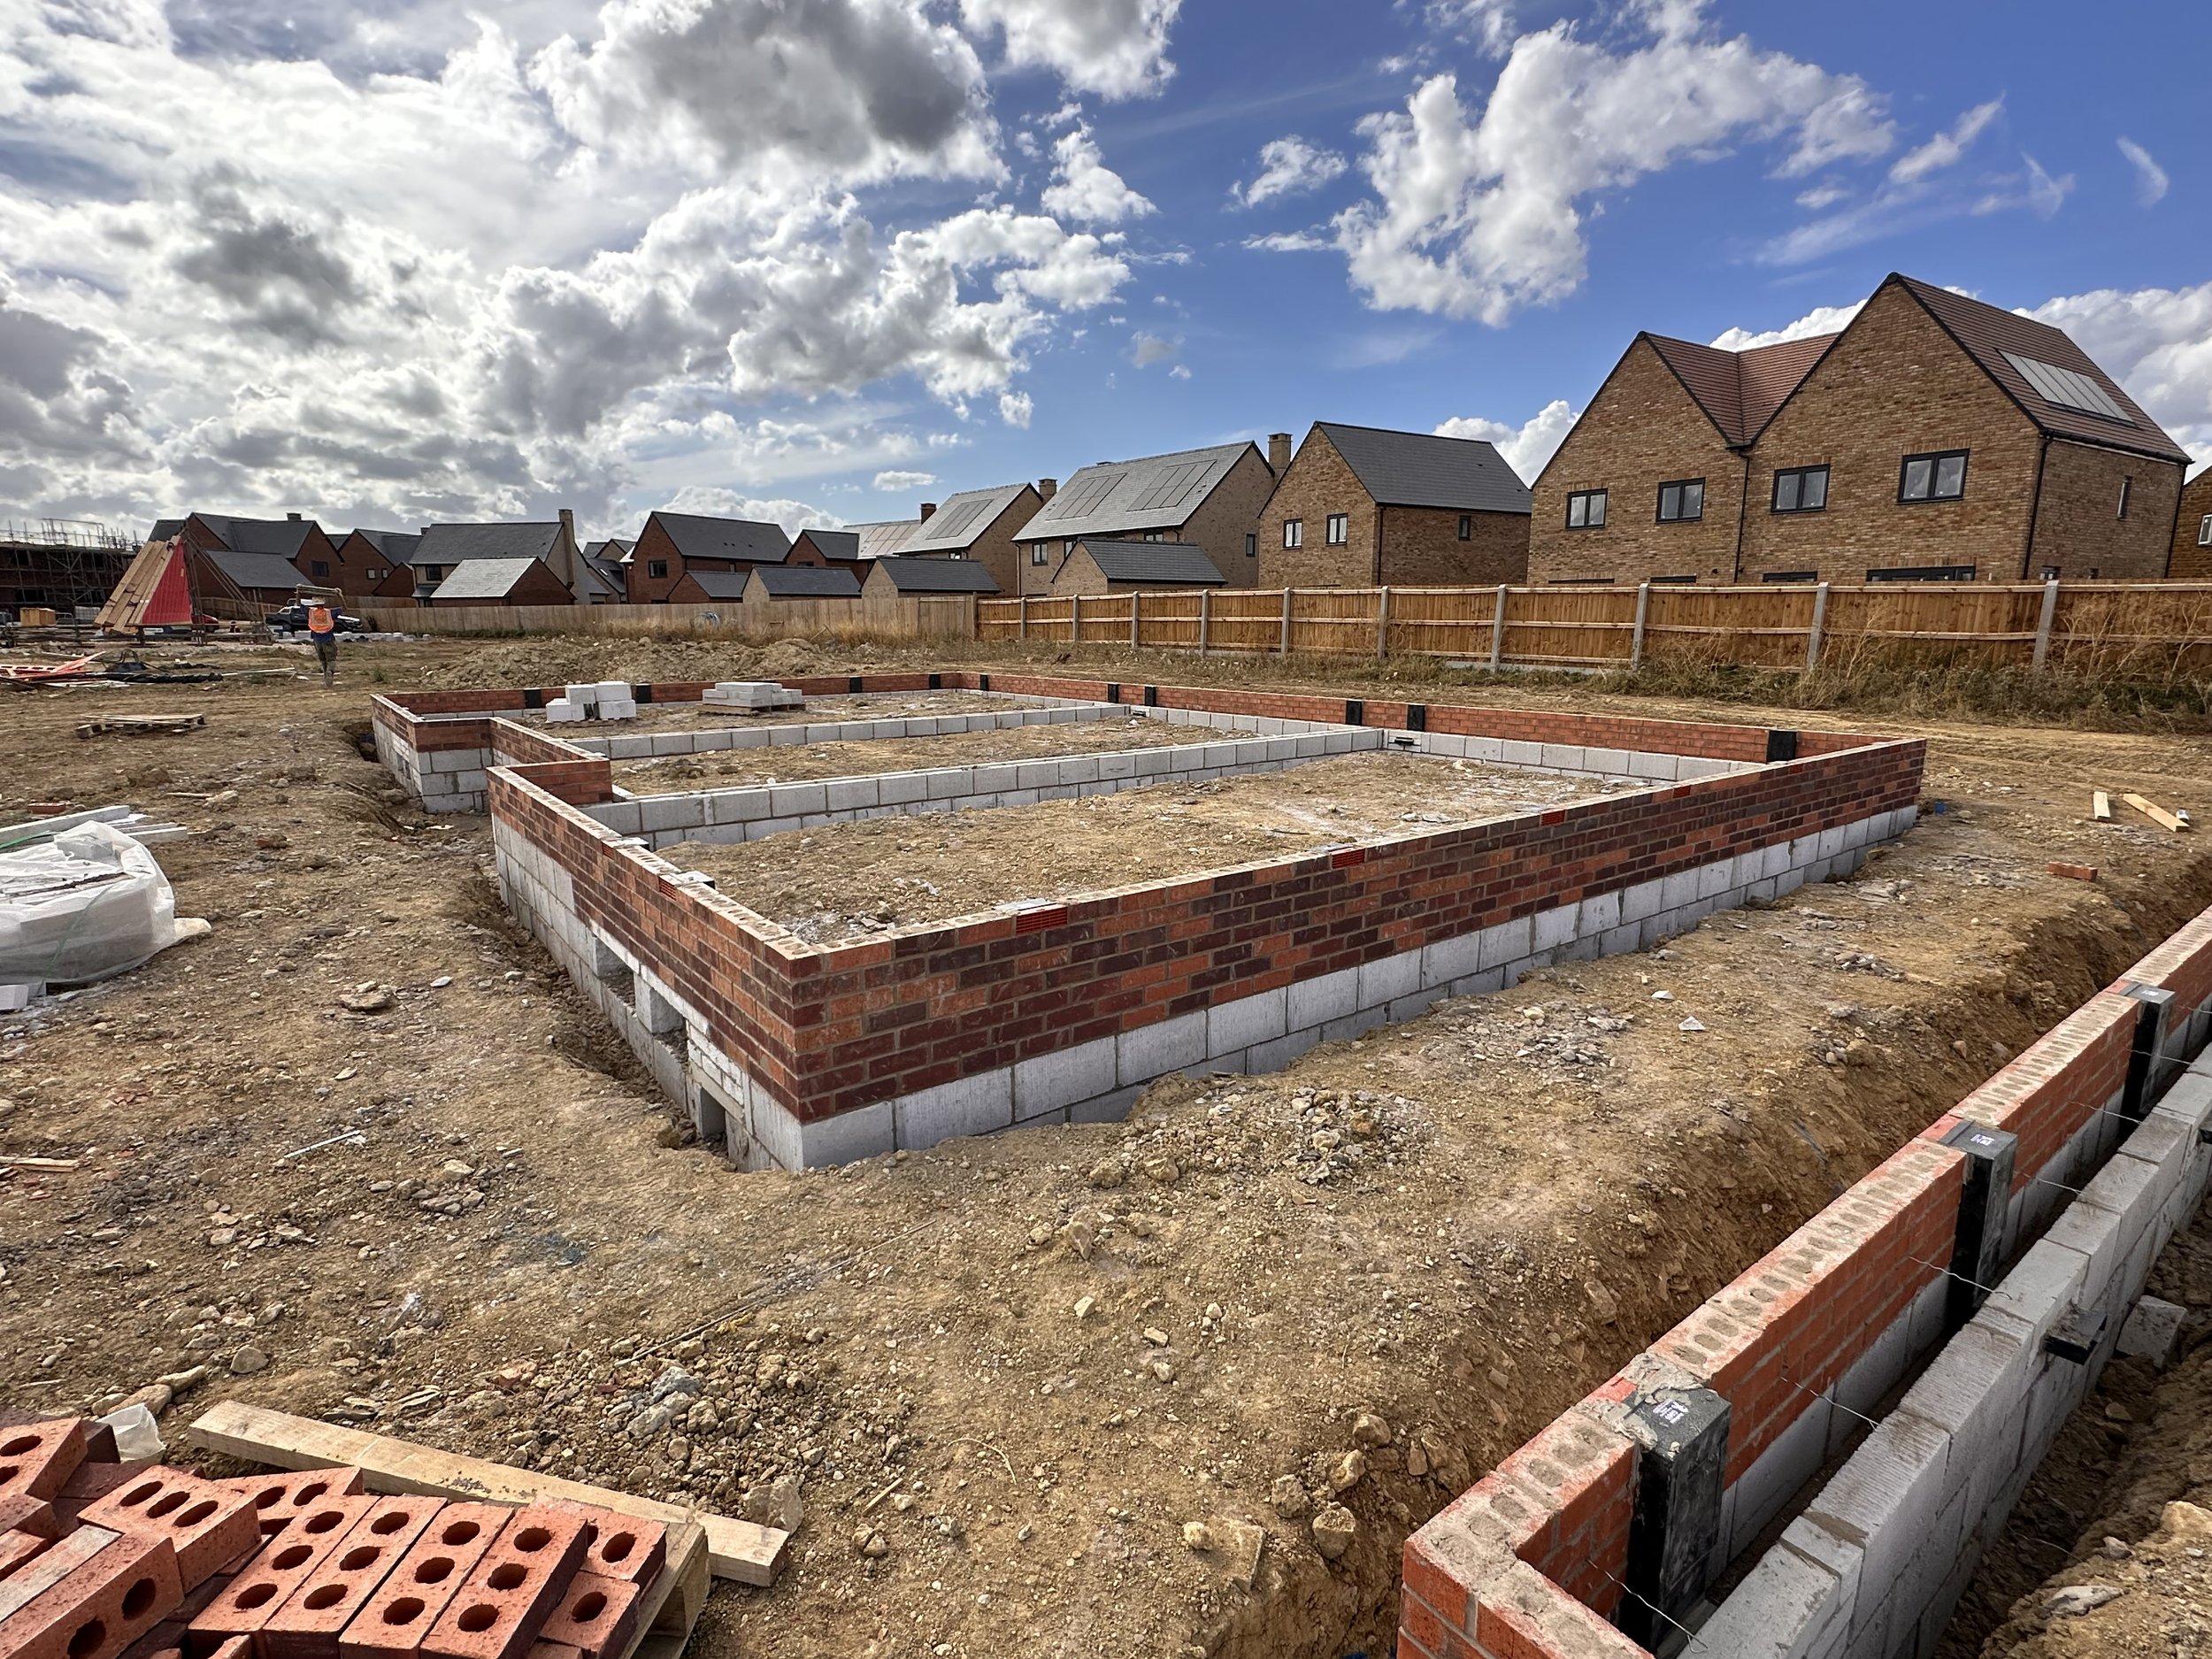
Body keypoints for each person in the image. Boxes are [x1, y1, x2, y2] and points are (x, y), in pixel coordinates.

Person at [307, 599, 339, 688]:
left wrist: (298, 594)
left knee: (323, 660)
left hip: (317, 640)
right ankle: (329, 672)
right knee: (331, 659)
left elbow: (299, 605)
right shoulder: (329, 613)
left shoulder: (311, 613)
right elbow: (343, 608)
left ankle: (326, 679)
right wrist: (339, 596)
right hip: (328, 639)